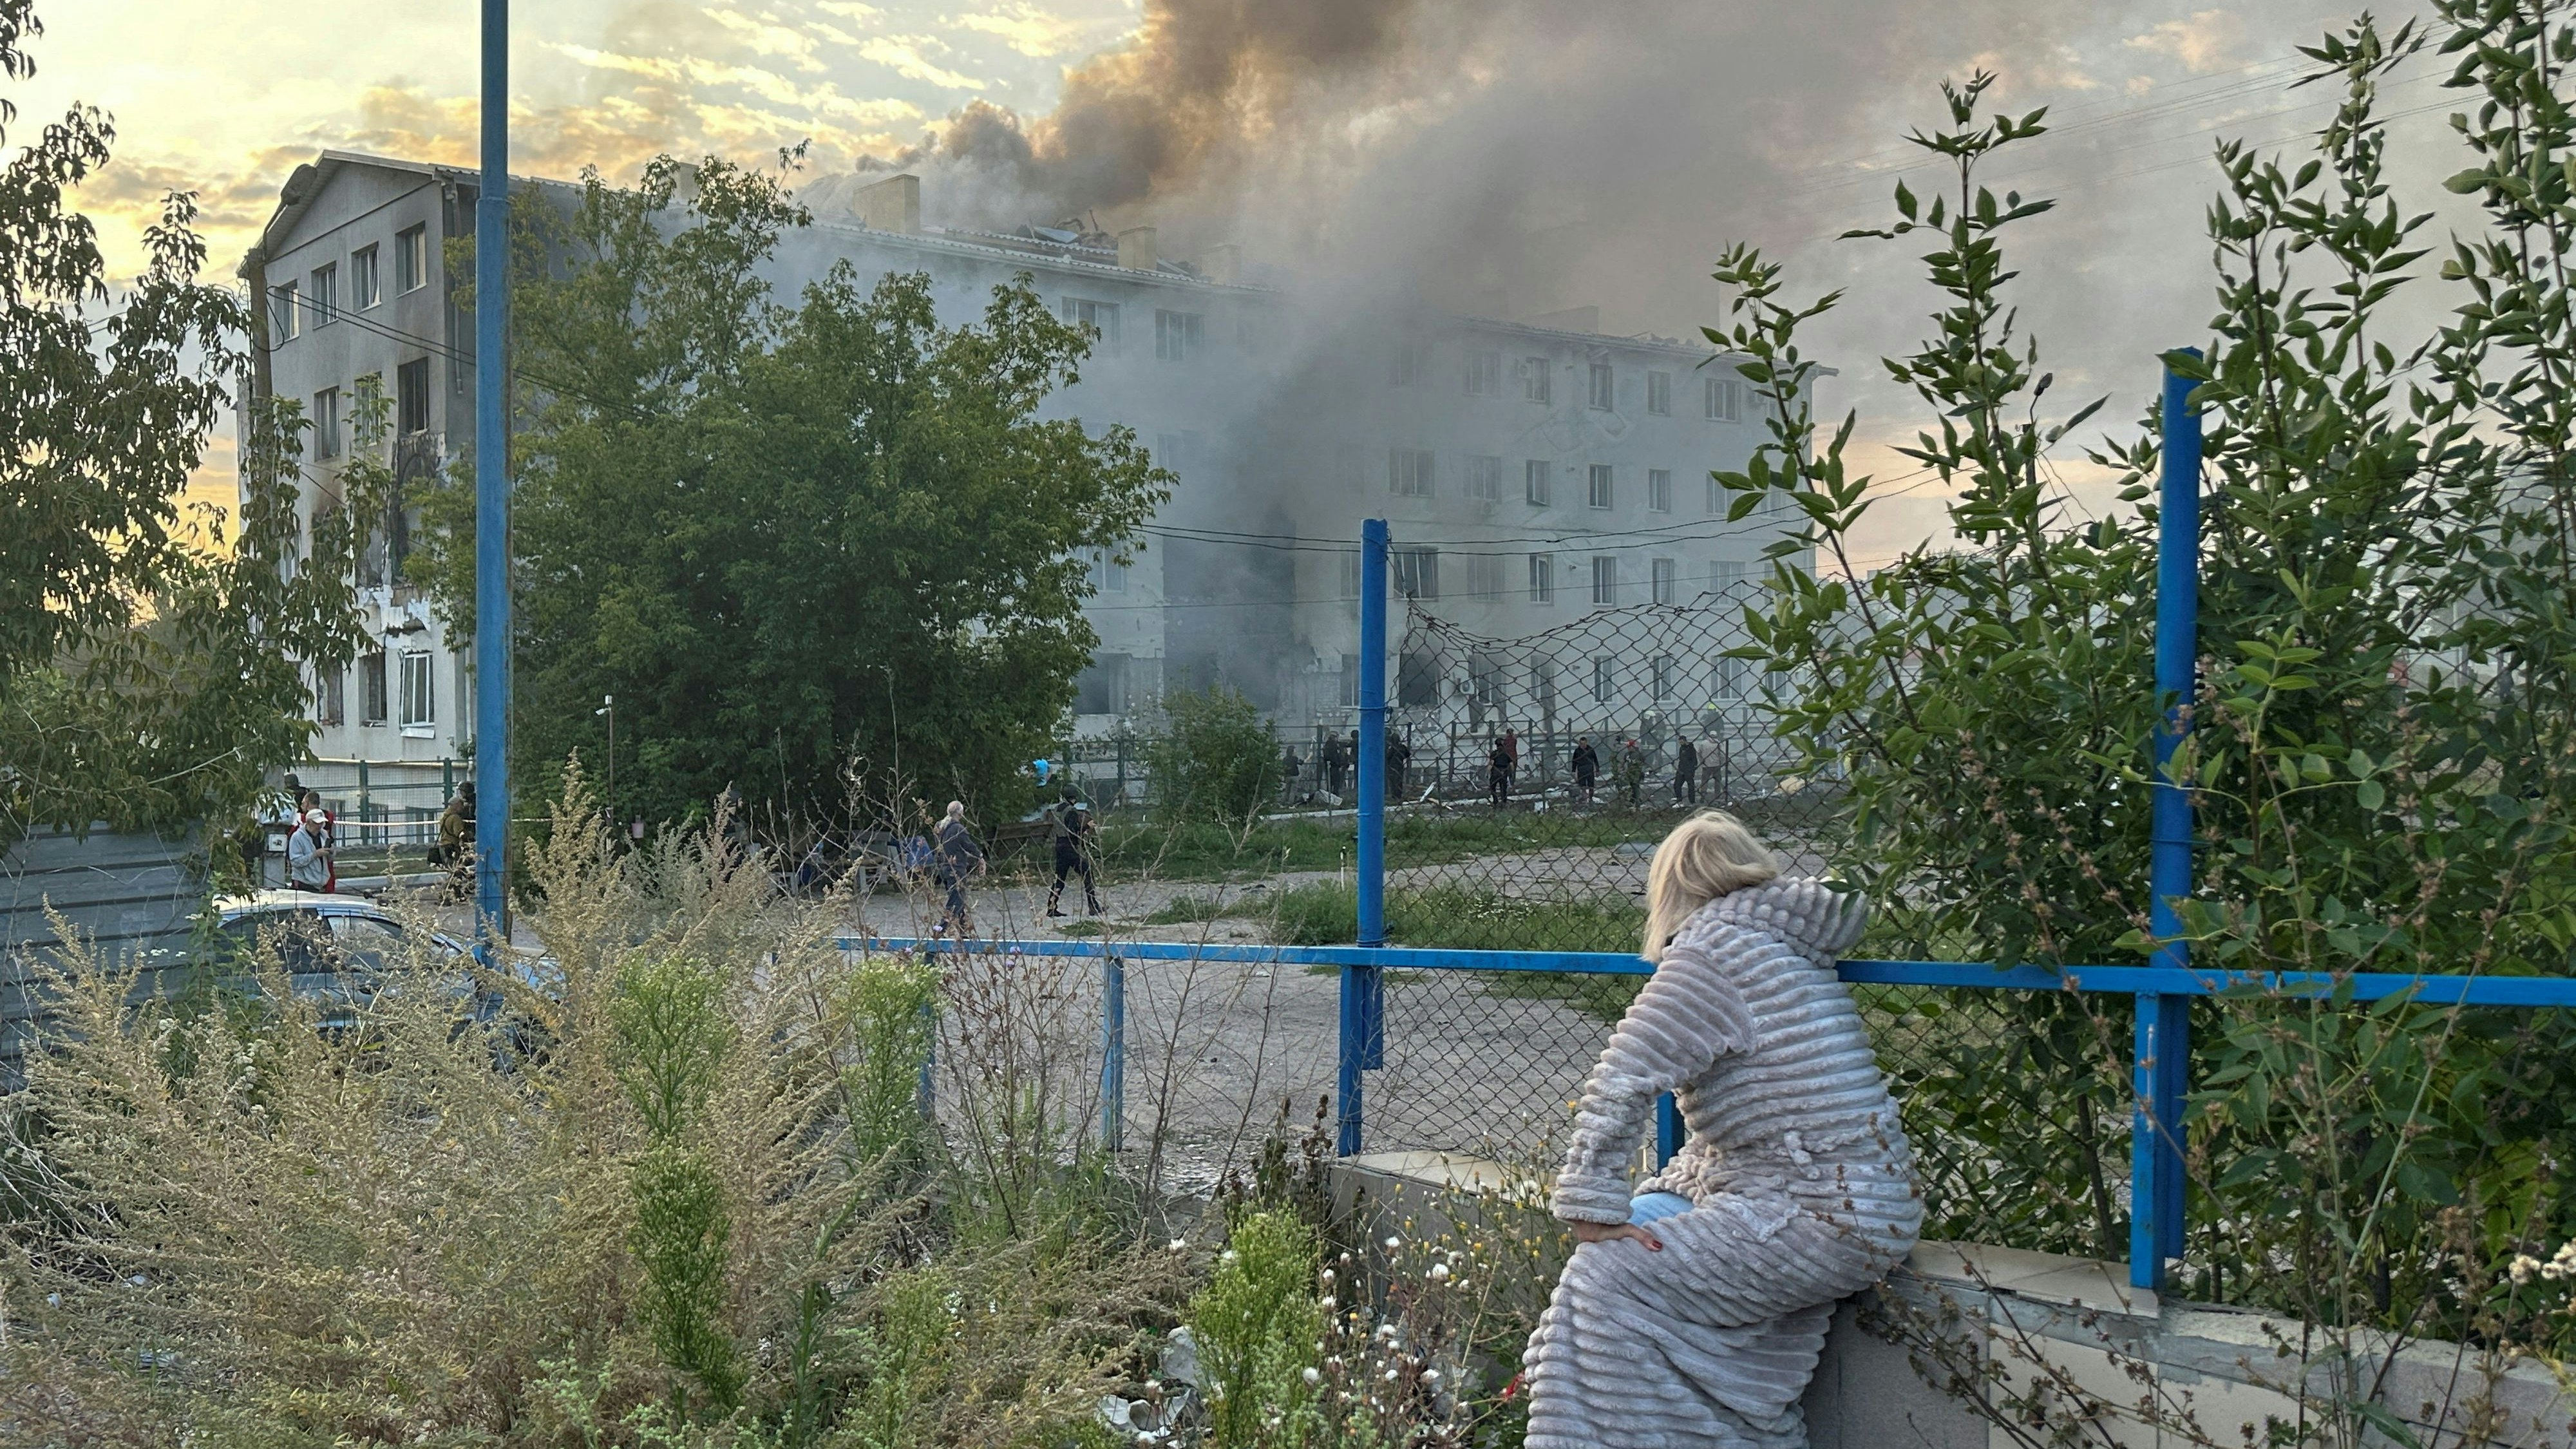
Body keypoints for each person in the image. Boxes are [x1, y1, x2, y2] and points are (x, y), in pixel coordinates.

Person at [1520, 811, 1921, 1448]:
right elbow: (1765, 1122)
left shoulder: (1709, 958)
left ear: (1667, 889)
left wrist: (1591, 1207)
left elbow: (1619, 1080)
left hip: (1813, 1213)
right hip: (1855, 1203)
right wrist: (1670, 1193)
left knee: (1603, 1273)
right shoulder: (1787, 947)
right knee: (1642, 1231)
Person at [1045, 787, 1104, 918]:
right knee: (1087, 871)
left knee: (1059, 878)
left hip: (1059, 845)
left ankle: (1051, 908)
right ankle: (1092, 905)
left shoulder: (1056, 810)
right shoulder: (1071, 811)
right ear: (1074, 798)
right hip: (1069, 846)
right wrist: (1087, 827)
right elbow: (1073, 829)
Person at [933, 800, 985, 936]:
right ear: (961, 814)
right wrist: (980, 856)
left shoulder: (939, 826)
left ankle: (962, 930)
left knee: (956, 897)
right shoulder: (959, 829)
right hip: (956, 869)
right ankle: (940, 929)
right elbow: (969, 846)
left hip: (943, 867)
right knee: (957, 899)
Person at [434, 782, 475, 902]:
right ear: (456, 806)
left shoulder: (445, 816)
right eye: (461, 806)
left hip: (444, 847)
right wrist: (470, 838)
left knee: (455, 872)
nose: (463, 808)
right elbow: (460, 833)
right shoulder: (456, 818)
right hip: (451, 848)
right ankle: (444, 896)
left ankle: (458, 895)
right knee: (454, 873)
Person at [287, 807, 332, 892]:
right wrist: (315, 855)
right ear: (308, 822)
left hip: (321, 883)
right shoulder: (297, 837)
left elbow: (329, 859)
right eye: (317, 823)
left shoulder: (324, 834)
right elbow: (295, 862)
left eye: (322, 822)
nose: (320, 826)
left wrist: (331, 852)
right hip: (303, 883)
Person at [1616, 739, 1646, 807]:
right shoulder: (1627, 754)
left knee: (1635, 786)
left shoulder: (1638, 754)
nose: (1629, 749)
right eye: (1628, 747)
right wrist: (1620, 769)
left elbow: (1643, 763)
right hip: (1630, 773)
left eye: (1630, 747)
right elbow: (1623, 762)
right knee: (1630, 786)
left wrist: (1642, 772)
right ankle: (1633, 799)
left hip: (1637, 773)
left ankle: (1637, 800)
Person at [1571, 737, 1600, 805]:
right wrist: (1573, 770)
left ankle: (1590, 799)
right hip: (1581, 769)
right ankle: (1585, 797)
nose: (1583, 745)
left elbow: (1595, 760)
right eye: (1581, 744)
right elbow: (1574, 761)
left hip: (1590, 769)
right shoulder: (1577, 751)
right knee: (1582, 785)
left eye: (1584, 744)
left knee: (1591, 786)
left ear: (1586, 743)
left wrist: (1597, 770)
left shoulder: (1591, 750)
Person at [1321, 732, 1349, 800]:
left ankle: (1329, 795)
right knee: (1336, 781)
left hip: (1329, 766)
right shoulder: (1334, 746)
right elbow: (1336, 756)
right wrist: (1339, 764)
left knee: (1330, 781)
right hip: (1335, 766)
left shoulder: (1327, 745)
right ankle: (1335, 795)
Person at [1487, 736, 1513, 807]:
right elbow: (1511, 764)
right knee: (1503, 788)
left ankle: (1495, 801)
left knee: (1493, 787)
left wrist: (1488, 771)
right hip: (1504, 772)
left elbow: (1492, 763)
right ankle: (1504, 801)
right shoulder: (1506, 754)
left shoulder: (1494, 753)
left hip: (1496, 771)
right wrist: (1511, 773)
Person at [1386, 732, 1412, 802]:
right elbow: (1408, 755)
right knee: (1399, 781)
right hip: (1400, 765)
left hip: (1392, 766)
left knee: (1393, 781)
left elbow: (1388, 757)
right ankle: (1399, 795)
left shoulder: (1392, 748)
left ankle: (1394, 796)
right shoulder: (1402, 747)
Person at [1674, 735, 1700, 805]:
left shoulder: (1691, 749)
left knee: (1691, 786)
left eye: (1681, 742)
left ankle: (1692, 801)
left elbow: (1694, 760)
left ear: (1684, 741)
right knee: (1677, 785)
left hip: (1688, 771)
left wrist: (1692, 770)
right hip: (1681, 770)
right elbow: (1681, 759)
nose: (1680, 743)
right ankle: (1679, 800)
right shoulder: (1681, 749)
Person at [1500, 727, 1521, 796]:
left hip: (1508, 758)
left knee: (1507, 771)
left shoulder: (1505, 741)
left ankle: (1507, 784)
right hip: (1514, 757)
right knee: (1513, 771)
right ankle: (1512, 783)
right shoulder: (1514, 740)